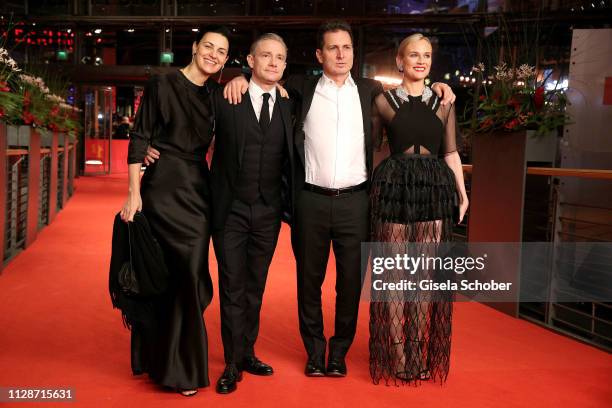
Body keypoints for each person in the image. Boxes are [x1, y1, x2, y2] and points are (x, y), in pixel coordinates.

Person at [224, 21, 455, 378]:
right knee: (308, 282)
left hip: (356, 201)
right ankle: (315, 352)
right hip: (310, 200)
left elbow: (413, 100)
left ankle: (339, 353)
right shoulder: (300, 88)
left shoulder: (371, 91)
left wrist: (440, 86)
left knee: (350, 284)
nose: (340, 54)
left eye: (346, 48)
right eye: (332, 48)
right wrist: (239, 75)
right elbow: (264, 80)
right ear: (320, 55)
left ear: (353, 52)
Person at [119, 25, 230, 397]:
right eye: (209, 46)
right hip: (161, 188)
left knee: (192, 275)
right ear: (195, 47)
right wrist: (133, 193)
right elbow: (140, 136)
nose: (214, 55)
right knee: (165, 278)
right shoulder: (161, 84)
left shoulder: (216, 93)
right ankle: (173, 368)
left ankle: (172, 359)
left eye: (222, 52)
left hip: (198, 192)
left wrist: (248, 81)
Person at [368, 33, 469, 386]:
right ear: (400, 61)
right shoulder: (383, 101)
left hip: (434, 189)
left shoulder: (445, 101)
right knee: (397, 275)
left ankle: (417, 349)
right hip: (395, 187)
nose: (421, 60)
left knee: (424, 277)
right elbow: (373, 148)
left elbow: (451, 152)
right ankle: (397, 352)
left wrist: (463, 192)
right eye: (414, 55)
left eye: (426, 55)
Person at [209, 33, 295, 395]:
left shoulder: (293, 104)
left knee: (255, 287)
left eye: (280, 57)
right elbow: (191, 131)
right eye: (266, 56)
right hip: (230, 209)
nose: (273, 62)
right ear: (250, 59)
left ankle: (246, 352)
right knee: (232, 285)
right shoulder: (227, 97)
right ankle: (230, 363)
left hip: (268, 211)